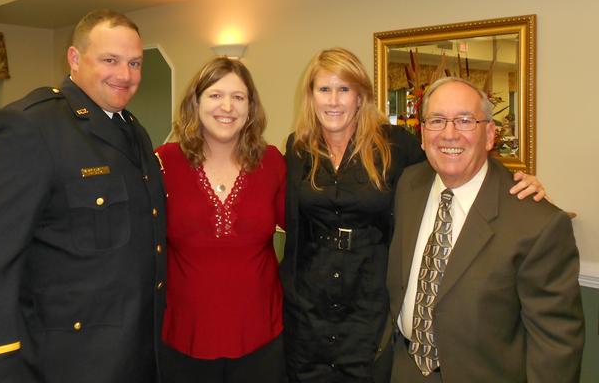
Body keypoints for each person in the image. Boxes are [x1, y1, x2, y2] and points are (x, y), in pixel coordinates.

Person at [280, 48, 547, 383]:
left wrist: (514, 181)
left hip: (371, 307)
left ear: (360, 96)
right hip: (309, 306)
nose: (334, 100)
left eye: (344, 89)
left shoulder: (394, 144)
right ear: (311, 96)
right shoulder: (298, 148)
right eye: (324, 89)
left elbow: (453, 162)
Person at [0, 9, 166, 383]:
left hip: (134, 354)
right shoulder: (30, 127)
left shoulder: (133, 131)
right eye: (110, 60)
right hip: (66, 363)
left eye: (135, 63)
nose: (126, 75)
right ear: (74, 58)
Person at [386, 77, 584, 382]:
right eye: (437, 120)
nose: (449, 134)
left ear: (489, 134)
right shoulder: (408, 185)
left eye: (465, 120)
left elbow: (556, 346)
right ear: (423, 135)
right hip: (404, 369)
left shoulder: (537, 223)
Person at [155, 57, 286, 383]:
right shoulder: (163, 162)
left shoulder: (272, 162)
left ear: (251, 106)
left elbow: (305, 231)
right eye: (215, 95)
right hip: (183, 338)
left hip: (261, 337)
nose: (227, 106)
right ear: (196, 102)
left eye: (238, 97)